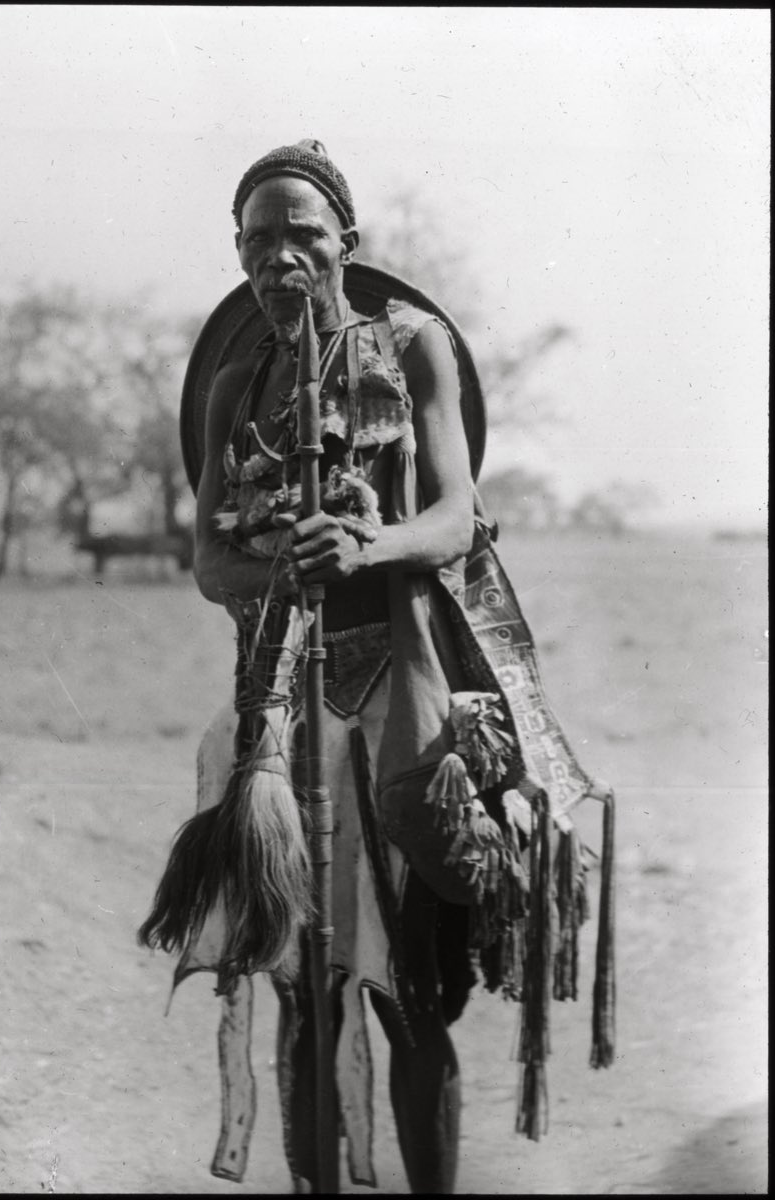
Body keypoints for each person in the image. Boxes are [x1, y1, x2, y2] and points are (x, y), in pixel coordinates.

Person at [140, 138, 615, 1194]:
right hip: (279, 709)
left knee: (412, 994)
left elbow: (456, 517)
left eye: (302, 235)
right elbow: (211, 562)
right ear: (239, 255)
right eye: (257, 242)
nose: (280, 260)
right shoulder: (234, 383)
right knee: (307, 995)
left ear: (345, 242)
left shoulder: (414, 349)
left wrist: (363, 546)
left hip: (405, 679)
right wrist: (275, 557)